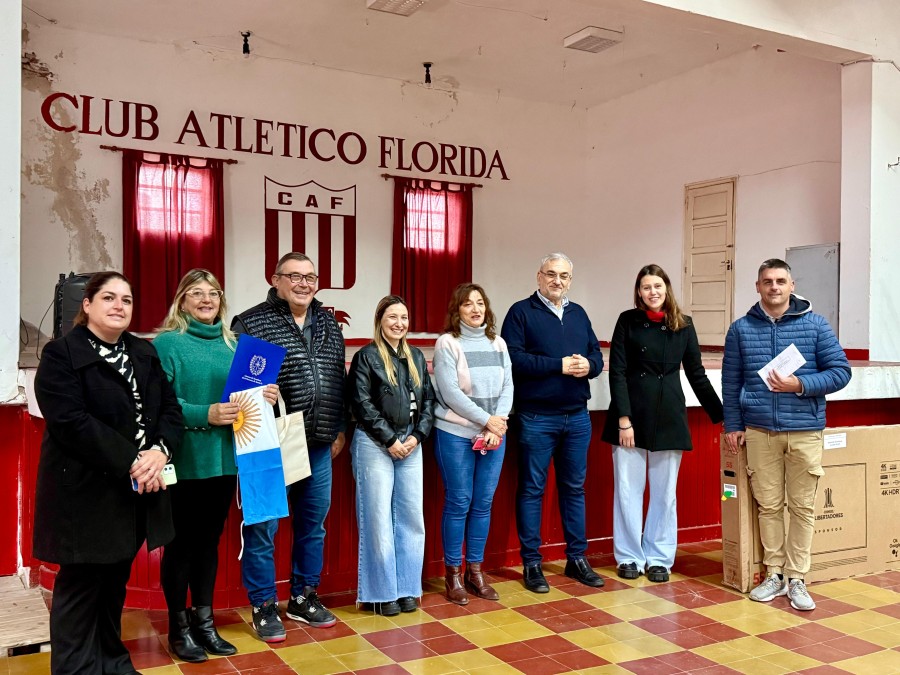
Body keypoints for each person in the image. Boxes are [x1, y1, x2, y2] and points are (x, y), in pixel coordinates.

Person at [33, 271, 182, 675]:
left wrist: (159, 450)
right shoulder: (61, 354)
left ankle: (112, 663)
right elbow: (70, 421)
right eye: (109, 298)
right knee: (81, 587)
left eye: (127, 300)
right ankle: (76, 669)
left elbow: (169, 410)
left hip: (132, 493)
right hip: (83, 492)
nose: (119, 306)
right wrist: (134, 458)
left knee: (114, 582)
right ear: (87, 305)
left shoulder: (143, 352)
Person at [153, 269, 278, 662]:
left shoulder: (234, 344)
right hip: (185, 460)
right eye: (196, 293)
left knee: (208, 545)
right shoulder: (167, 343)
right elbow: (163, 406)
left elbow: (245, 398)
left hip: (225, 460)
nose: (206, 300)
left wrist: (265, 395)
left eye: (213, 293)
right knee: (180, 546)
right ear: (182, 301)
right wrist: (206, 413)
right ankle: (178, 627)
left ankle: (204, 625)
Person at [723, 258, 850, 611]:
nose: (774, 287)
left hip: (805, 431)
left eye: (780, 281)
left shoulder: (815, 326)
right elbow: (731, 381)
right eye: (767, 281)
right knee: (769, 506)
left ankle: (798, 579)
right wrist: (732, 424)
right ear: (758, 286)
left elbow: (841, 371)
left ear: (792, 285)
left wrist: (801, 384)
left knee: (803, 507)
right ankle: (774, 574)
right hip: (759, 431)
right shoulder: (741, 329)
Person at [232, 252, 346, 641]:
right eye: (294, 276)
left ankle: (303, 596)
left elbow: (338, 380)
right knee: (263, 527)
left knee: (313, 527)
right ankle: (263, 604)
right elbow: (237, 389)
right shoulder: (253, 323)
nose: (304, 283)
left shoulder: (329, 323)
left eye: (311, 277)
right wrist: (256, 391)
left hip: (318, 444)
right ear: (276, 279)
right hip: (268, 444)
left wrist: (339, 428)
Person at [602, 264, 723, 583]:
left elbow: (697, 374)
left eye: (657, 286)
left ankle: (658, 557)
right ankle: (628, 556)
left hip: (669, 414)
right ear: (638, 292)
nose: (652, 292)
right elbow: (617, 371)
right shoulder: (627, 321)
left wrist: (723, 414)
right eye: (645, 287)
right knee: (628, 491)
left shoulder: (684, 325)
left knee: (664, 493)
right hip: (631, 414)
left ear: (666, 289)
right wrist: (624, 420)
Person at [500, 253, 606, 592]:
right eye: (550, 274)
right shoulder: (520, 312)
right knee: (532, 490)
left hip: (577, 416)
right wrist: (556, 366)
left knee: (574, 489)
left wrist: (589, 367)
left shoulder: (578, 313)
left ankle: (577, 559)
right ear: (538, 277)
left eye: (563, 276)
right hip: (535, 417)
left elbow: (596, 356)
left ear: (570, 280)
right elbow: (513, 359)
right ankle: (532, 563)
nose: (556, 281)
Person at [347, 295, 435, 616]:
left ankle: (407, 588)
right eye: (392, 317)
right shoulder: (366, 358)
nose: (399, 323)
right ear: (380, 320)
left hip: (411, 444)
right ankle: (381, 594)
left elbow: (429, 404)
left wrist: (415, 437)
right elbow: (361, 405)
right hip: (374, 444)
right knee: (377, 518)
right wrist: (389, 440)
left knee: (412, 517)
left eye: (404, 317)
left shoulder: (415, 356)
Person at [432, 283, 514, 605]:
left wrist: (499, 422)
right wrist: (486, 420)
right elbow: (450, 392)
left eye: (480, 303)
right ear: (457, 310)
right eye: (468, 304)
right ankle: (453, 573)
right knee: (459, 501)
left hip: (494, 435)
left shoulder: (498, 343)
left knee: (483, 503)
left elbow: (508, 384)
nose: (476, 309)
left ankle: (475, 571)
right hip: (456, 434)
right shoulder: (447, 344)